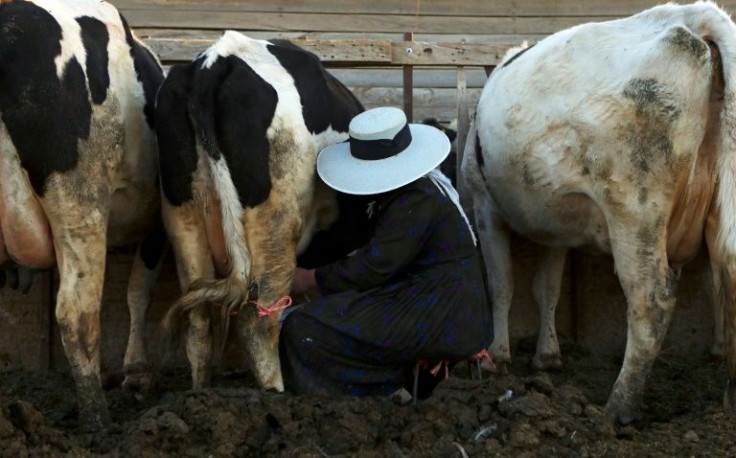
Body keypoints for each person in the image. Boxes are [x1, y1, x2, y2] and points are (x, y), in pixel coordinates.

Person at [279, 106, 491, 400]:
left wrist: (310, 279)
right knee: (326, 315)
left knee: (302, 327)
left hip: (442, 312)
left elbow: (375, 266)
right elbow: (361, 250)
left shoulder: (415, 200)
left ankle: (370, 399)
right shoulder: (410, 191)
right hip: (431, 299)